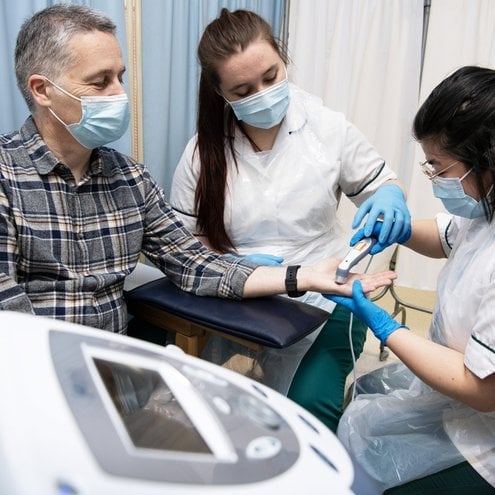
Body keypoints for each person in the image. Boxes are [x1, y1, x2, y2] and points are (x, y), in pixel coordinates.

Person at [0, 5, 395, 343]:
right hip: (33, 375)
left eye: (120, 77)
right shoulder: (6, 176)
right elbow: (8, 314)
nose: (119, 94)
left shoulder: (131, 180)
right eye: (101, 82)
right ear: (42, 90)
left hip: (113, 366)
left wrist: (305, 276)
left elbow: (193, 264)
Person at [170, 8, 411, 432]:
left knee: (308, 413)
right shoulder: (201, 153)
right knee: (207, 411)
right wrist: (236, 265)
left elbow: (381, 184)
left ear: (284, 59)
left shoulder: (328, 129)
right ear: (219, 92)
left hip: (328, 292)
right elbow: (183, 245)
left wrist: (390, 195)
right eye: (243, 90)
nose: (262, 94)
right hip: (243, 297)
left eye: (270, 76)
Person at [330, 66, 495, 494]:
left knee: (378, 463)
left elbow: (482, 390)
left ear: (487, 160)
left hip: (485, 432)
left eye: (439, 168)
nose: (436, 180)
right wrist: (401, 228)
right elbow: (446, 236)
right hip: (457, 400)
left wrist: (386, 327)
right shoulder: (485, 207)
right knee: (365, 398)